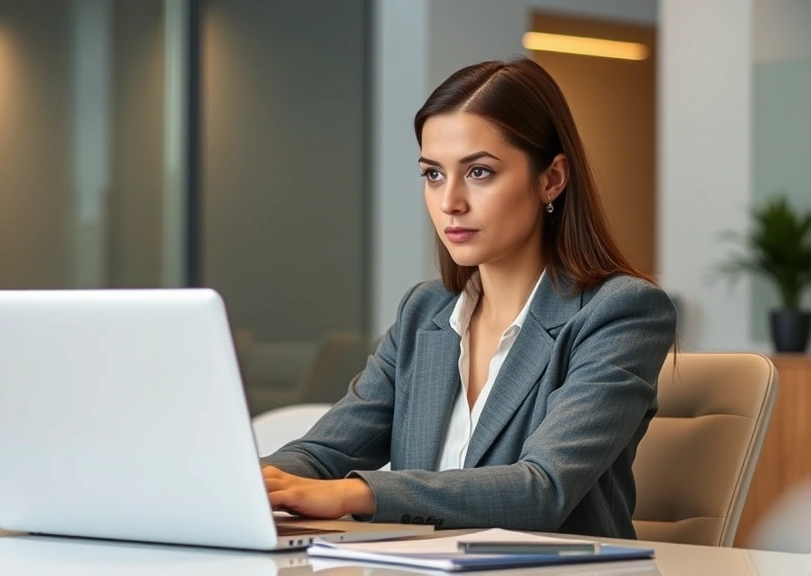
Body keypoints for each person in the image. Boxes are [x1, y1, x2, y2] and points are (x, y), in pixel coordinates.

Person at [261, 58, 677, 539]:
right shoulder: (425, 312)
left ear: (552, 179)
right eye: (433, 174)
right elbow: (324, 454)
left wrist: (357, 494)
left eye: (479, 172)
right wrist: (247, 480)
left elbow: (543, 490)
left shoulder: (620, 312)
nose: (449, 202)